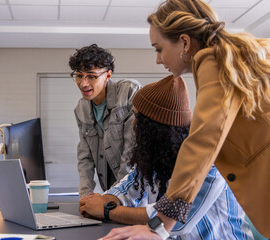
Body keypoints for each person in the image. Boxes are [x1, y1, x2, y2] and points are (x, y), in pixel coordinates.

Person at [101, 0, 270, 239]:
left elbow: (203, 141)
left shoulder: (213, 61)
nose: (158, 59)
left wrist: (160, 226)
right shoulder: (234, 59)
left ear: (184, 42)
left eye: (158, 49)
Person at [80, 75, 253, 239]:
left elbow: (172, 223)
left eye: (138, 117)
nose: (133, 122)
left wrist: (106, 210)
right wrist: (101, 202)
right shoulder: (155, 155)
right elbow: (125, 190)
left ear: (156, 126)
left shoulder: (209, 162)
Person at [69, 44, 142, 199]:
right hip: (109, 188)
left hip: (136, 190)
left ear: (108, 75)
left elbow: (132, 151)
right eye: (79, 75)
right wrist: (85, 195)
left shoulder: (128, 92)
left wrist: (114, 196)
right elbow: (85, 157)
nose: (83, 83)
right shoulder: (81, 109)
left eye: (91, 76)